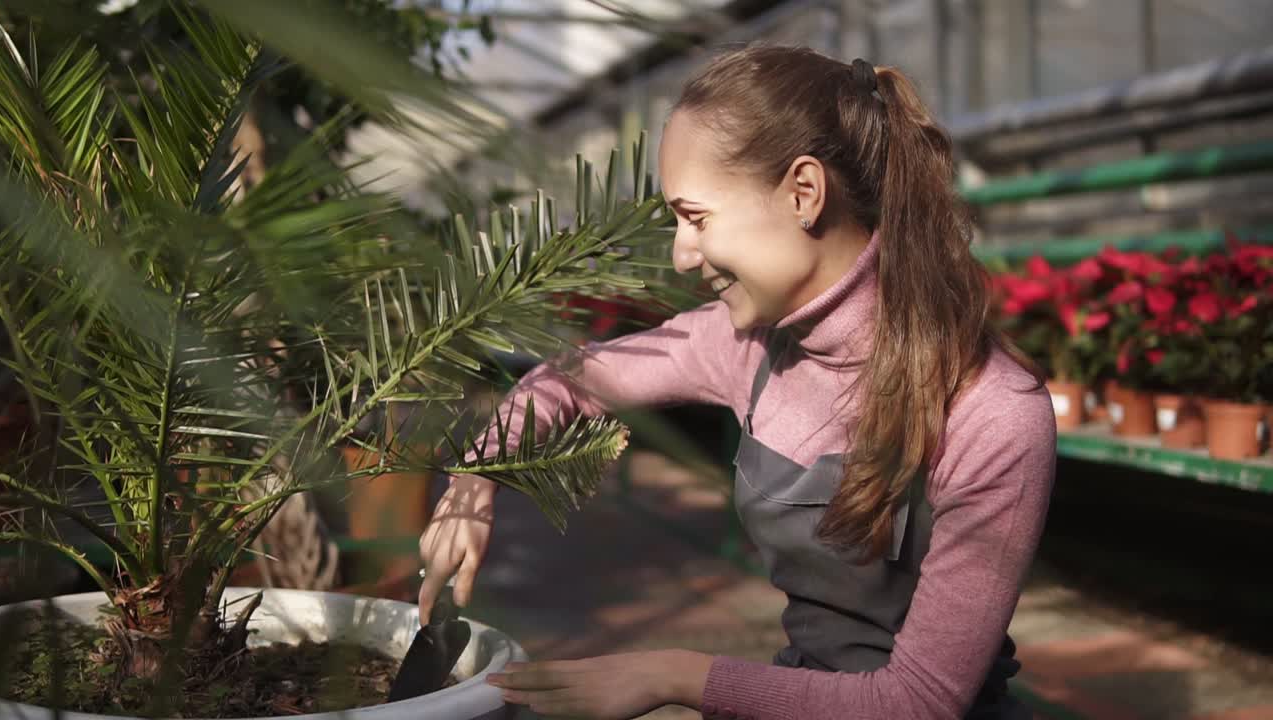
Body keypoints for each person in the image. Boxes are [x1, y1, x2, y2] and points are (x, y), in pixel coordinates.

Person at [418, 45, 1056, 720]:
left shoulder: (994, 414)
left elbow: (918, 703)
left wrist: (674, 675)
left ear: (803, 194)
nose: (681, 254)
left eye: (695, 218)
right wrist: (474, 481)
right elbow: (567, 381)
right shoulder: (742, 343)